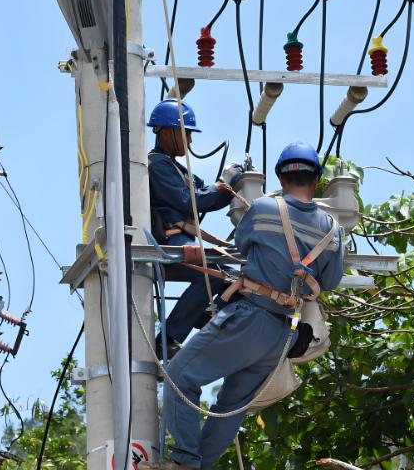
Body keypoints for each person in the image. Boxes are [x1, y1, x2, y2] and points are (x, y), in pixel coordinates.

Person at [148, 142, 345, 470]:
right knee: (232, 406)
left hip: (250, 315)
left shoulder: (266, 209)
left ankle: (185, 461)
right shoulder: (334, 231)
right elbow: (332, 280)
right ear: (317, 180)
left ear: (282, 178)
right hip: (282, 334)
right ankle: (194, 466)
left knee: (179, 376)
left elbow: (242, 243)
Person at [147, 99, 241, 358]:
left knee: (236, 278)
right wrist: (226, 183)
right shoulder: (156, 166)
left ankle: (207, 313)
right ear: (166, 132)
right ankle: (167, 338)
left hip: (184, 239)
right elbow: (193, 200)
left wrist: (231, 183)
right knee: (212, 273)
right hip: (169, 241)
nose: (190, 141)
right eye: (185, 133)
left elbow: (205, 196)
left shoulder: (176, 169)